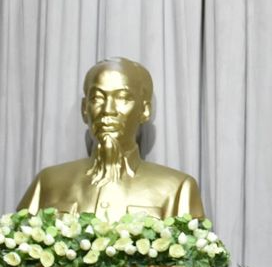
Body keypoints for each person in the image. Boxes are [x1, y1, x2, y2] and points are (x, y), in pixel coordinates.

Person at [18, 57, 205, 219]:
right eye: (97, 98)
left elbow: (191, 258)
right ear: (85, 109)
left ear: (145, 110)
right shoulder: (48, 182)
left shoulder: (177, 189)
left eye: (123, 98)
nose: (108, 110)